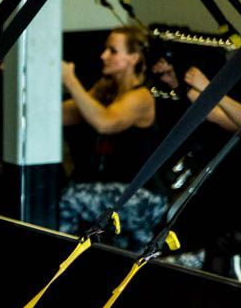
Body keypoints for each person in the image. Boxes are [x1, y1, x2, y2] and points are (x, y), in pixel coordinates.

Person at [58, 27, 163, 251]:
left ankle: (58, 259)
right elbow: (62, 114)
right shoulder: (104, 91)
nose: (103, 56)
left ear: (133, 58)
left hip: (141, 196)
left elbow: (105, 121)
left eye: (112, 51)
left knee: (69, 198)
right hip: (111, 193)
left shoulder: (141, 97)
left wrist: (71, 81)